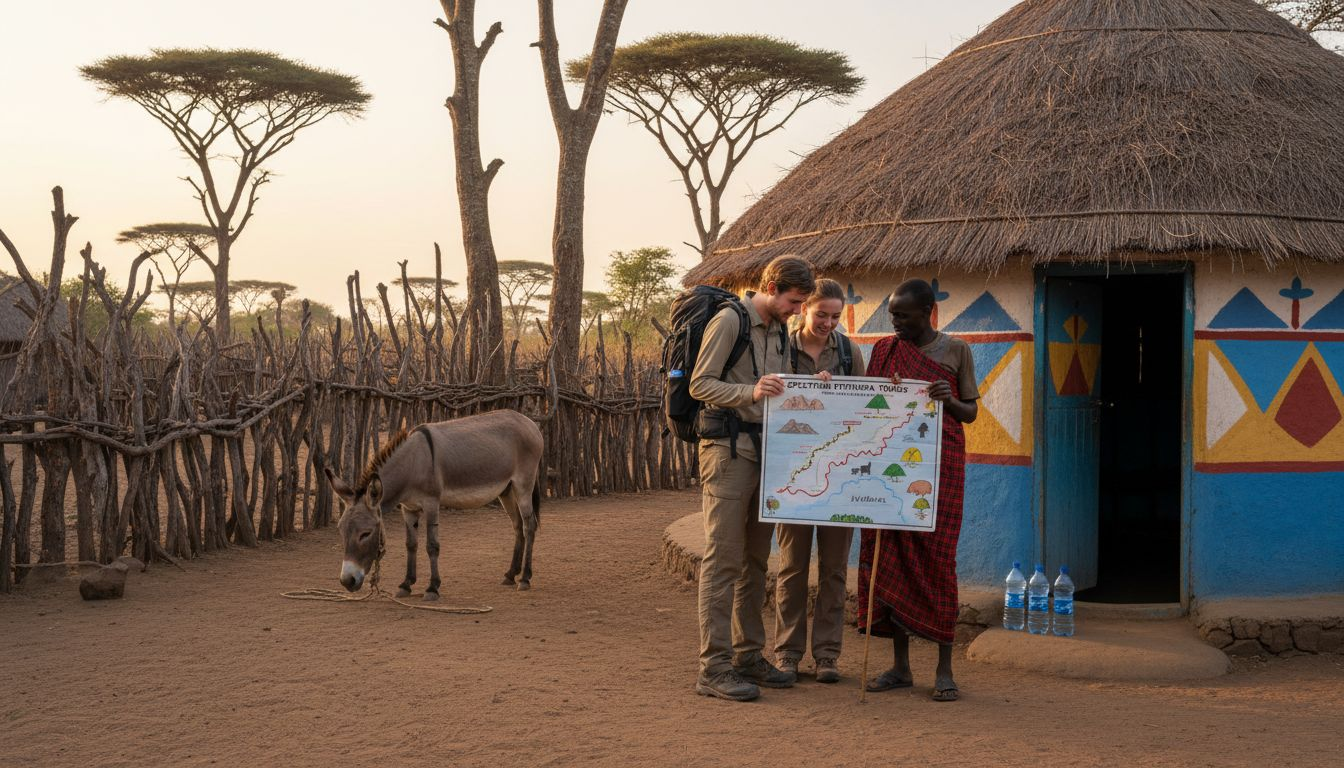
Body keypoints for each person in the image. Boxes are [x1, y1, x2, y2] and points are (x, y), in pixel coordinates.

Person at [689, 255, 816, 702]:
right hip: (726, 453)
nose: (798, 310)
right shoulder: (730, 321)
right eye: (794, 301)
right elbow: (699, 384)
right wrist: (749, 392)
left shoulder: (781, 328)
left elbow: (778, 387)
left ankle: (747, 656)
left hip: (766, 455)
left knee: (755, 562)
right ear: (771, 286)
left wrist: (810, 385)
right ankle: (713, 668)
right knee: (722, 561)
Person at [857, 278, 979, 702]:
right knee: (889, 556)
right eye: (892, 314)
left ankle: (945, 670)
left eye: (903, 315)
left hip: (939, 470)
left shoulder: (955, 351)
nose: (895, 323)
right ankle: (900, 666)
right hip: (891, 471)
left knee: (938, 561)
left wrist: (948, 399)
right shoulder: (884, 351)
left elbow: (971, 414)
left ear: (929, 311)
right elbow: (869, 410)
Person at [773, 278, 866, 684]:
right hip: (792, 476)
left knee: (833, 569)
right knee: (792, 567)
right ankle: (787, 653)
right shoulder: (780, 348)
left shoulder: (848, 352)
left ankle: (827, 656)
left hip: (838, 476)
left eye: (835, 315)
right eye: (820, 314)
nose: (829, 322)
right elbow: (768, 396)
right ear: (804, 310)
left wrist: (839, 394)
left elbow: (865, 404)